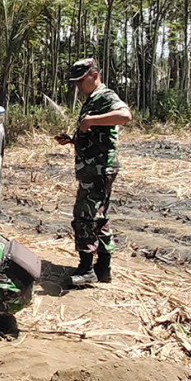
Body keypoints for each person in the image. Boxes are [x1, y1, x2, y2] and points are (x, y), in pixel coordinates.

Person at [54, 58, 132, 287]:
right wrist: (73, 140)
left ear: (94, 75)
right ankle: (103, 268)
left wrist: (90, 121)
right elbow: (95, 133)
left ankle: (86, 268)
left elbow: (125, 115)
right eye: (75, 82)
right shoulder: (92, 99)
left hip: (98, 170)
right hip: (93, 168)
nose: (78, 86)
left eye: (81, 81)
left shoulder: (105, 96)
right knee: (99, 218)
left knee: (84, 217)